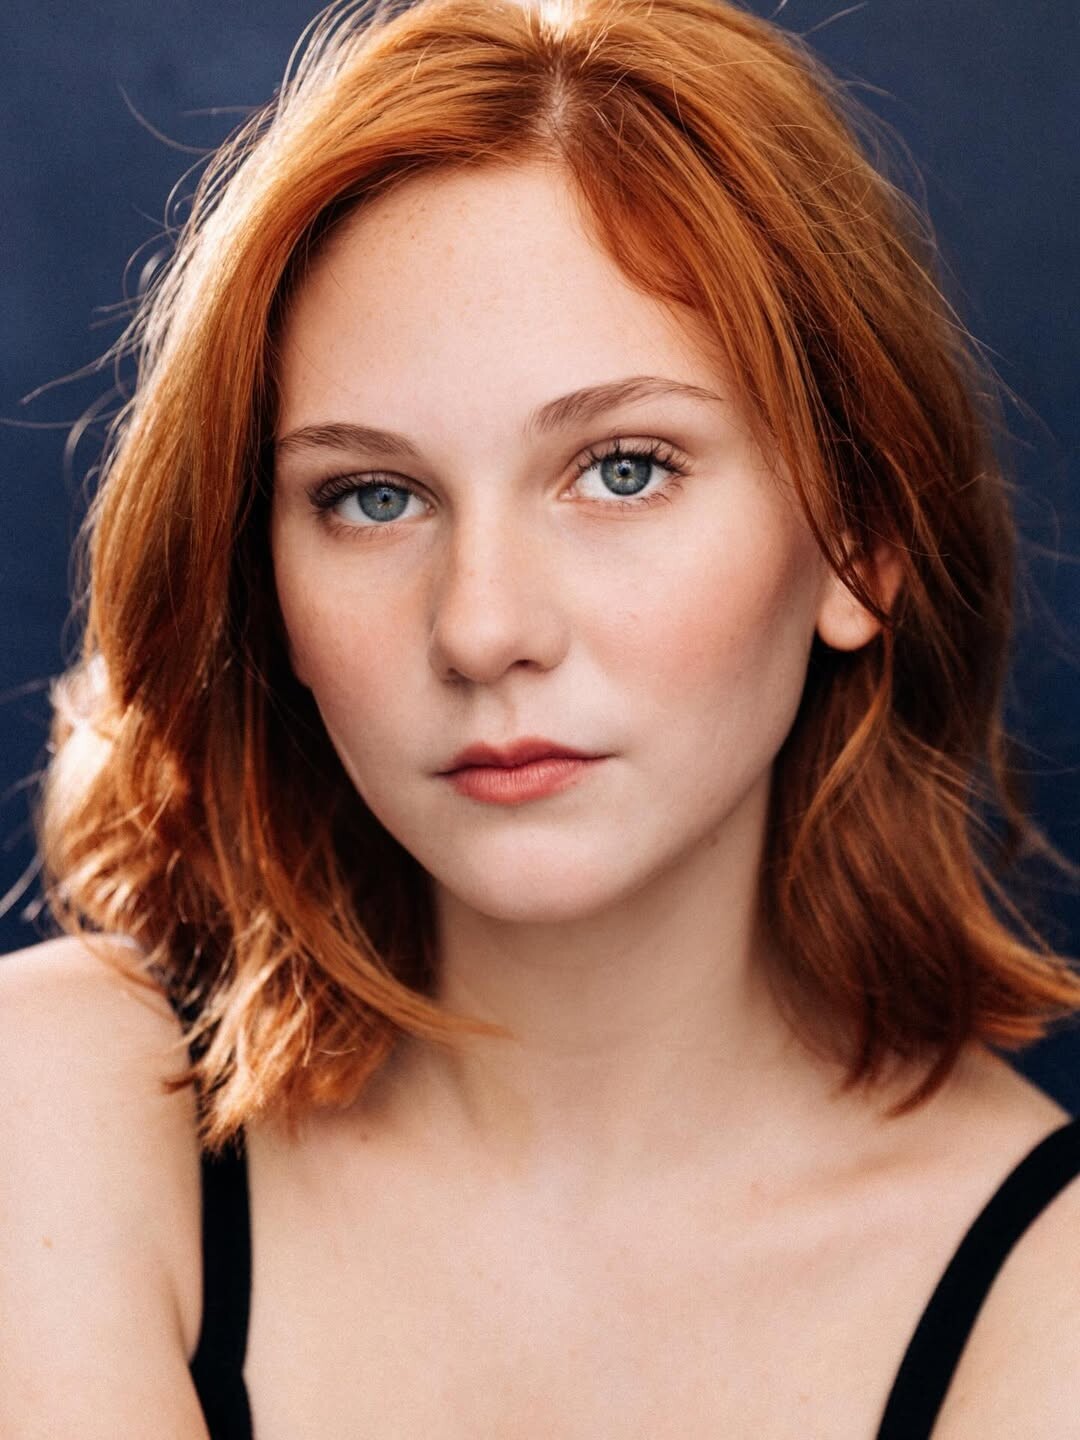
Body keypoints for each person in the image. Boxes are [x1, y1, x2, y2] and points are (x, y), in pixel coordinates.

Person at [2, 0, 1079, 1434]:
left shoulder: (1050, 1294)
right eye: (371, 497)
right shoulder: (52, 1118)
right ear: (265, 584)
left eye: (623, 469)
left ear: (860, 540)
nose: (482, 628)